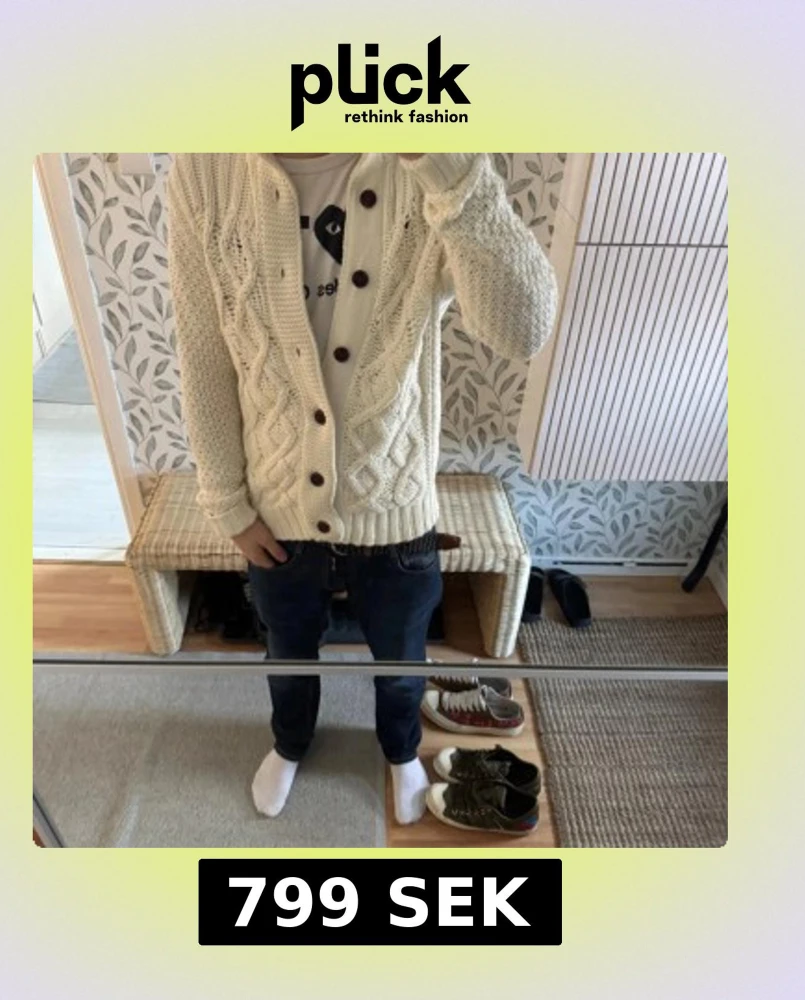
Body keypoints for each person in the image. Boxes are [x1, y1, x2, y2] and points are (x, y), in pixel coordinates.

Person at [166, 152, 557, 823]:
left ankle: (401, 749)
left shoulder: (425, 164)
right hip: (277, 504)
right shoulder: (204, 169)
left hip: (394, 501)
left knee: (401, 659)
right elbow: (202, 353)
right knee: (287, 652)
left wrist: (450, 167)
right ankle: (290, 742)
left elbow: (523, 330)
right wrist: (227, 502)